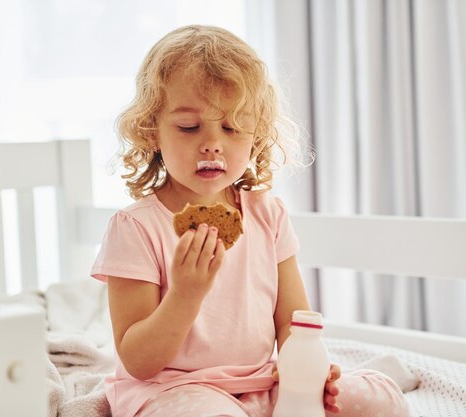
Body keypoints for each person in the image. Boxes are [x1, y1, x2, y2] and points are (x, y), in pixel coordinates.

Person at [91, 25, 409, 417]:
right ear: (151, 131)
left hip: (264, 384)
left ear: (256, 134)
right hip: (176, 392)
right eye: (189, 127)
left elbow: (294, 323)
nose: (212, 143)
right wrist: (185, 295)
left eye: (231, 126)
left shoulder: (267, 214)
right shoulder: (135, 228)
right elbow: (139, 361)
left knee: (379, 398)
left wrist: (310, 372)